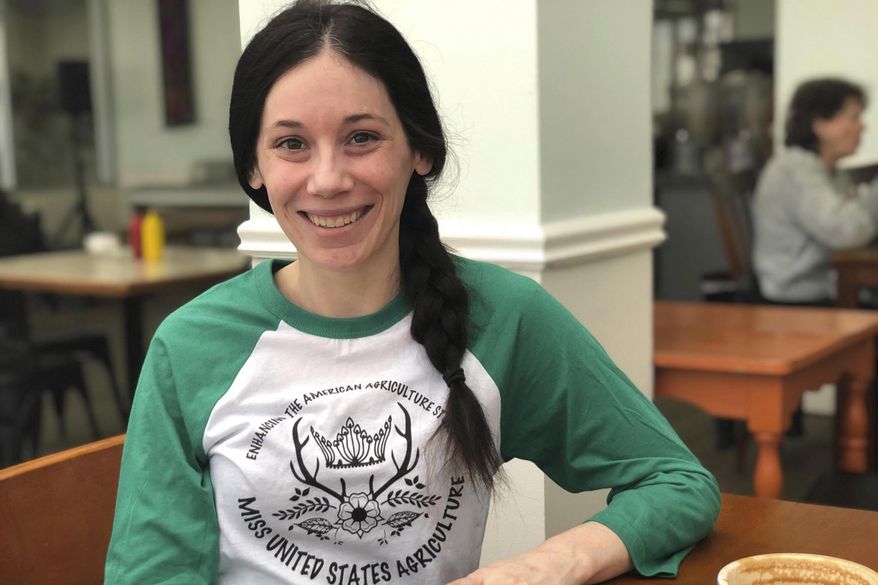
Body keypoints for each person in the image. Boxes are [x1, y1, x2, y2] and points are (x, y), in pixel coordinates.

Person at [104, 2, 719, 583]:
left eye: (362, 137)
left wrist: (546, 564)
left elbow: (676, 482)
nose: (328, 179)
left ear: (418, 150)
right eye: (292, 144)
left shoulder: (504, 316)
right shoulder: (188, 345)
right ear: (254, 169)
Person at [752, 77, 878, 304]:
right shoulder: (796, 169)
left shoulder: (829, 171)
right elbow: (848, 233)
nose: (863, 126)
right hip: (796, 299)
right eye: (854, 117)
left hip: (825, 287)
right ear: (820, 124)